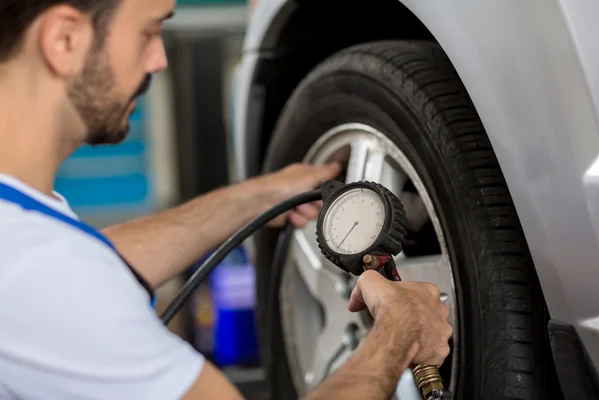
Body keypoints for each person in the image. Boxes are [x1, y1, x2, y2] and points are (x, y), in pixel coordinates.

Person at [0, 0, 453, 399]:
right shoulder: (39, 275)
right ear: (64, 39)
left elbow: (95, 261)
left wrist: (259, 195)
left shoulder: (23, 232)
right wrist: (400, 333)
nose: (158, 60)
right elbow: (65, 283)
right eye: (149, 32)